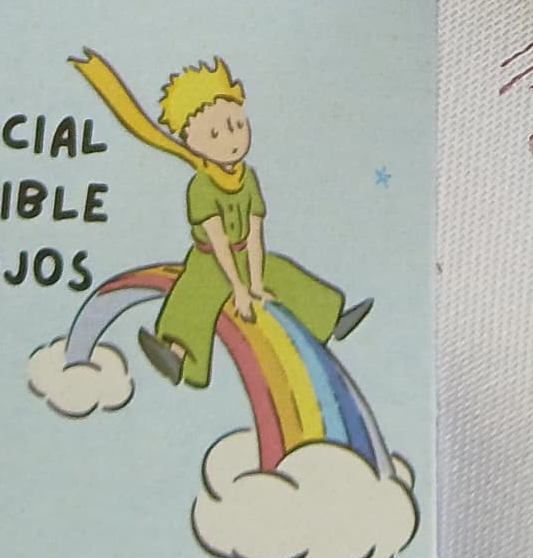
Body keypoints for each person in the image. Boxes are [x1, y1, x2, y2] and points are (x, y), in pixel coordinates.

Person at [69, 51, 368, 392]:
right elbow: (218, 241)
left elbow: (254, 234)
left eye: (237, 125)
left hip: (243, 255)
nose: (231, 138)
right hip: (210, 260)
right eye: (215, 133)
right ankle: (177, 354)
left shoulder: (248, 177)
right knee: (192, 299)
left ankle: (332, 320)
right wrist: (238, 289)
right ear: (191, 140)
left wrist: (256, 282)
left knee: (285, 273)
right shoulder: (202, 186)